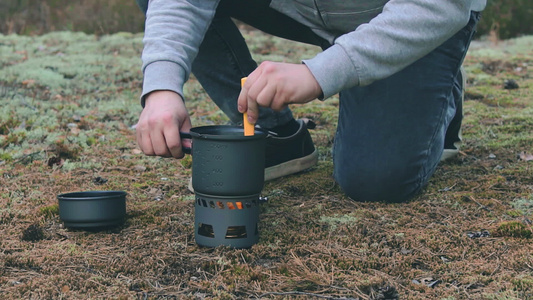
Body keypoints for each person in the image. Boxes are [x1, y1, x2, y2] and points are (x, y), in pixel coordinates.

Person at [134, 0, 486, 202]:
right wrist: (162, 86)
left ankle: (439, 90)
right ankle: (277, 139)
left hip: (411, 15)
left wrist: (319, 73)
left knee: (375, 180)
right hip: (300, 10)